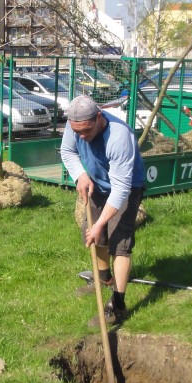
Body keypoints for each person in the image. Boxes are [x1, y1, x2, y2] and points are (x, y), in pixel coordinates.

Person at [60, 95, 145, 328]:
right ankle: (103, 278)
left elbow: (120, 190)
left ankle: (118, 304)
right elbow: (68, 152)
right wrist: (80, 174)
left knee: (119, 242)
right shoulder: (74, 125)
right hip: (97, 182)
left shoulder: (119, 137)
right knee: (94, 234)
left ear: (99, 117)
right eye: (78, 132)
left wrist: (101, 224)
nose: (82, 137)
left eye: (86, 131)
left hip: (126, 187)